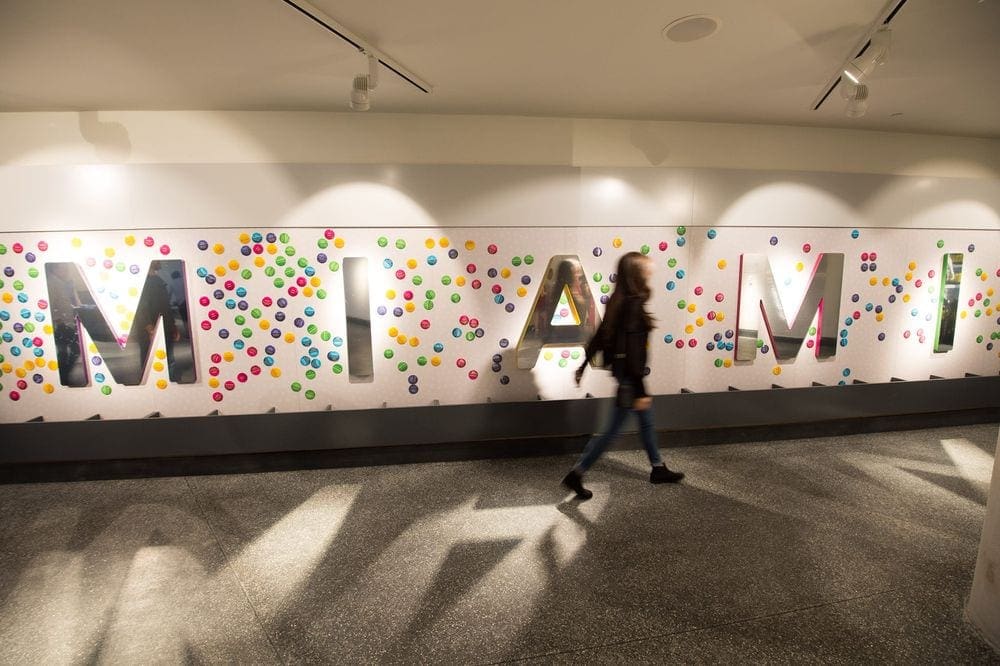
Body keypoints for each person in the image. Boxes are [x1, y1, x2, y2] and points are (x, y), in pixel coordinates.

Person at [562, 251, 684, 500]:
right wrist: (639, 389)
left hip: (627, 376)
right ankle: (577, 473)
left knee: (645, 422)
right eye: (646, 265)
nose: (651, 268)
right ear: (636, 273)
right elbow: (632, 352)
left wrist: (582, 366)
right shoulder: (632, 305)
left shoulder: (621, 300)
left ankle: (658, 468)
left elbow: (601, 335)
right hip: (631, 378)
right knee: (611, 432)